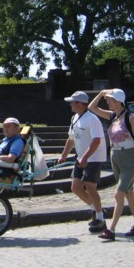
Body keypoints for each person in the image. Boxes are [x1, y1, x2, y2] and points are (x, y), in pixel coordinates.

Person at [88, 89, 134, 241]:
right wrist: (101, 93)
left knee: (119, 193)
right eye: (108, 100)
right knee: (129, 193)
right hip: (116, 156)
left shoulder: (130, 117)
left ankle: (111, 229)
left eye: (111, 100)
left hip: (129, 157)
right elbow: (92, 108)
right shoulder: (113, 116)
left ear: (120, 101)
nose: (109, 102)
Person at [57, 91, 107, 233]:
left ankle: (100, 218)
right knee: (76, 187)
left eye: (72, 102)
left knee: (91, 187)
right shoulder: (75, 118)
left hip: (93, 157)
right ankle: (97, 210)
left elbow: (96, 140)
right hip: (81, 157)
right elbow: (71, 138)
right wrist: (64, 155)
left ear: (80, 104)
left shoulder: (92, 119)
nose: (70, 104)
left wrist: (85, 157)